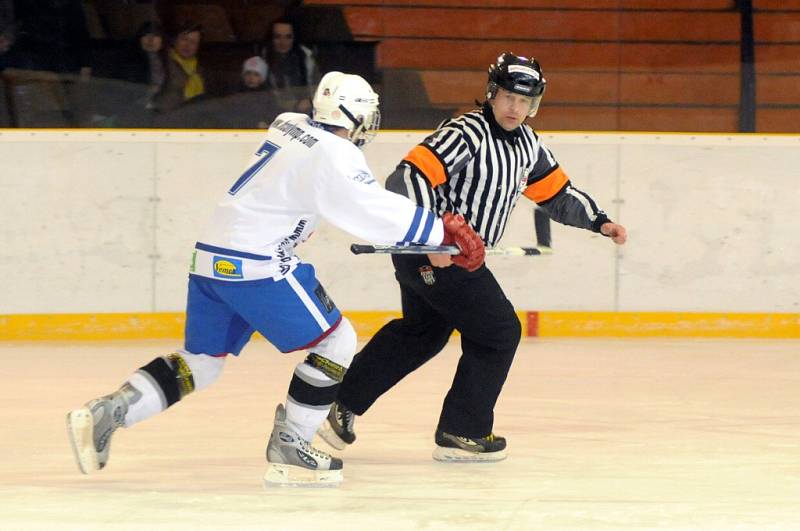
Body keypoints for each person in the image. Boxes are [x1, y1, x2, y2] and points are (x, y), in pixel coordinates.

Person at [65, 71, 485, 487]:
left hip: (210, 258)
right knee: (336, 341)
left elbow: (331, 195)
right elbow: (370, 208)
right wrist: (440, 232)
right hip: (256, 263)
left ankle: (112, 409)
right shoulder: (333, 153)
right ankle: (292, 442)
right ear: (354, 116)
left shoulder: (290, 124)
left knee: (203, 362)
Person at [319, 52, 628, 462]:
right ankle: (463, 431)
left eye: (525, 100)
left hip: (445, 259)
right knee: (499, 331)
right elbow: (408, 176)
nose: (515, 107)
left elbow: (558, 194)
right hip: (439, 256)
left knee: (421, 333)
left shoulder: (529, 147)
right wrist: (432, 239)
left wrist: (599, 222)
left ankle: (337, 404)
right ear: (492, 94)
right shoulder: (466, 132)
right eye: (507, 97)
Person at [260, 17, 319, 113]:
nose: (282, 42)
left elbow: (317, 88)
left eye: (288, 37)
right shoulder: (262, 60)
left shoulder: (306, 58)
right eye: (277, 37)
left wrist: (309, 101)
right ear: (271, 38)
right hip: (270, 112)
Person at [153, 22, 205, 111]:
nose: (187, 45)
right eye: (184, 39)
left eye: (193, 42)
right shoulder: (163, 62)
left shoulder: (199, 69)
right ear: (175, 40)